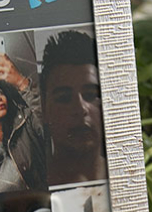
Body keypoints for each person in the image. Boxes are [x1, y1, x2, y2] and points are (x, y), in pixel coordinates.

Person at [40, 31, 106, 186]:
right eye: (63, 98)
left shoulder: (128, 177)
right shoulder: (30, 183)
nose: (80, 108)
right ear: (44, 109)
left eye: (90, 95)